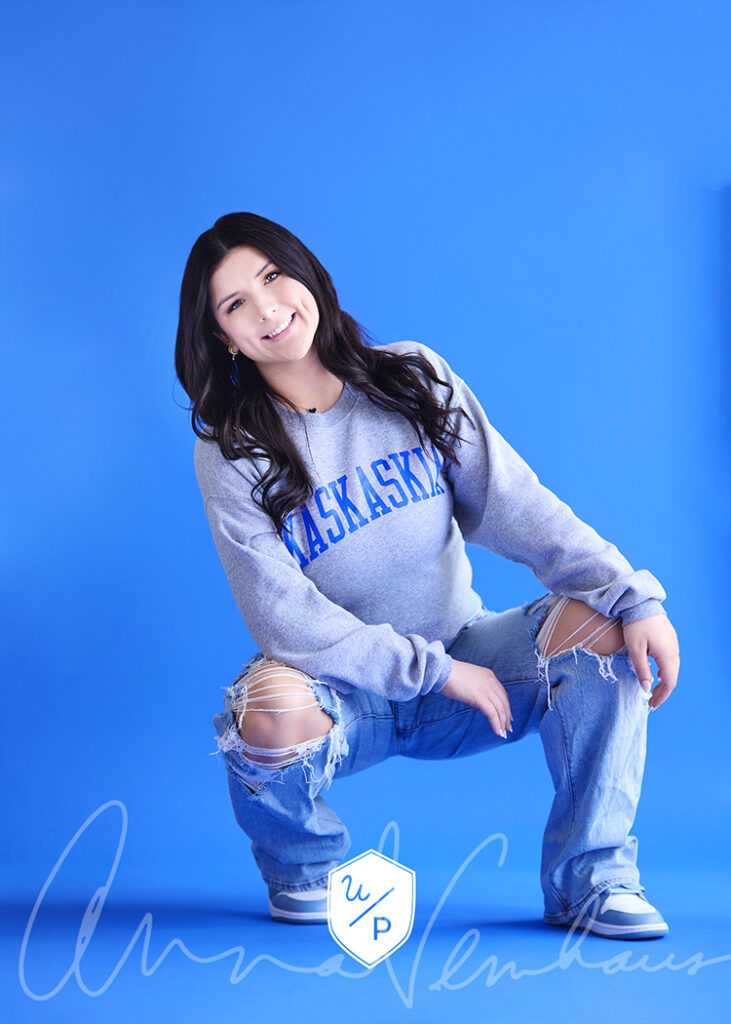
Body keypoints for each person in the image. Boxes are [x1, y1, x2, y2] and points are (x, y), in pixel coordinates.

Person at [175, 211, 680, 940]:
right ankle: (303, 869)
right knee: (265, 710)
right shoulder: (231, 449)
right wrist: (436, 673)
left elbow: (518, 508)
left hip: (470, 661)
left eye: (272, 277)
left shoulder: (409, 377)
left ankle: (589, 884)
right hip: (345, 697)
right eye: (234, 305)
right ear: (222, 336)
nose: (267, 310)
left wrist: (633, 597)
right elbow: (280, 616)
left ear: (305, 272)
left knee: (601, 624)